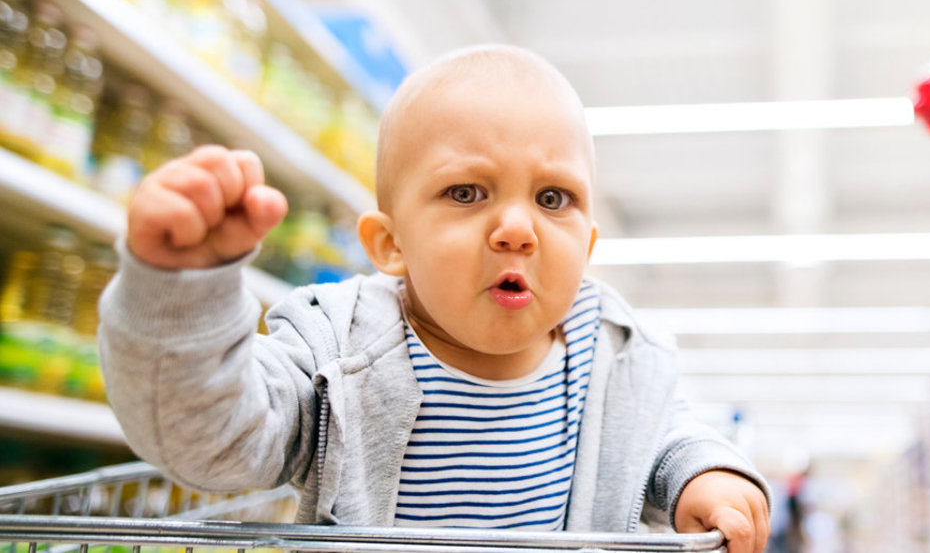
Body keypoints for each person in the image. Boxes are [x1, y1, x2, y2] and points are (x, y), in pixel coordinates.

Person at [97, 45, 770, 553]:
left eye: (552, 198)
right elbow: (208, 440)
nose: (516, 228)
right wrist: (181, 291)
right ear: (390, 245)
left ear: (588, 247)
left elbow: (667, 436)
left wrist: (702, 476)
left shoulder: (618, 366)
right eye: (466, 193)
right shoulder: (335, 358)